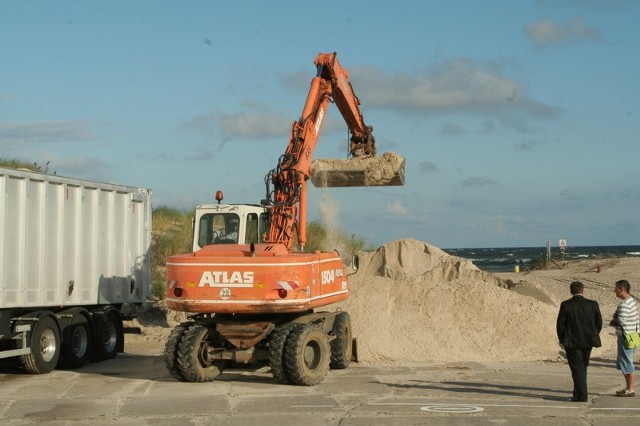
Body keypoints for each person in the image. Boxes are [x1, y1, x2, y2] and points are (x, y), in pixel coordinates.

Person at [556, 281, 603, 402]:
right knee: (582, 366)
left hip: (572, 341)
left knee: (577, 368)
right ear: (582, 290)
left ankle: (581, 395)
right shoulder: (592, 304)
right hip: (588, 340)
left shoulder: (566, 305)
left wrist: (562, 339)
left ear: (571, 291)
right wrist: (593, 334)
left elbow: (560, 325)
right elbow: (599, 323)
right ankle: (577, 392)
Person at [610, 279, 639, 397]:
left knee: (626, 362)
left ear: (622, 289)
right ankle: (628, 387)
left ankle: (630, 388)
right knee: (627, 361)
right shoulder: (632, 301)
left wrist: (614, 319)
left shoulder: (624, 304)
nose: (614, 290)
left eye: (616, 288)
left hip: (626, 336)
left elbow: (621, 320)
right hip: (633, 335)